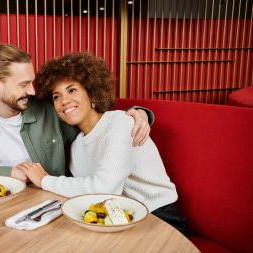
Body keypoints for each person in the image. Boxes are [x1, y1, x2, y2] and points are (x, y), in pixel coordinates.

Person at [18, 52, 189, 237]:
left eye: (72, 90)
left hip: (161, 219)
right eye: (56, 96)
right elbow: (91, 197)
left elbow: (105, 189)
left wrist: (44, 180)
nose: (64, 101)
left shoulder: (121, 123)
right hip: (119, 220)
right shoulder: (77, 145)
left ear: (91, 92)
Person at [0, 44, 153, 184]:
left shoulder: (47, 108)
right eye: (23, 84)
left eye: (32, 82)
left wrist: (135, 114)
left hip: (48, 205)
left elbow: (93, 122)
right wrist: (7, 173)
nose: (33, 91)